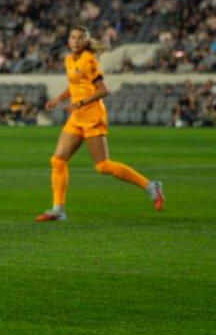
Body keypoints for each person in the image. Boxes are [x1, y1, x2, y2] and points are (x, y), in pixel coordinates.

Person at [35, 26, 164, 221]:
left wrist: (79, 103)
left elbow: (103, 90)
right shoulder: (69, 60)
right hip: (76, 116)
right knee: (58, 160)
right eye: (72, 37)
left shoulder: (89, 61)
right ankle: (58, 209)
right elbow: (75, 85)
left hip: (92, 115)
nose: (76, 40)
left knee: (103, 166)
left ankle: (150, 186)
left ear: (86, 42)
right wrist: (59, 99)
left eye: (80, 38)